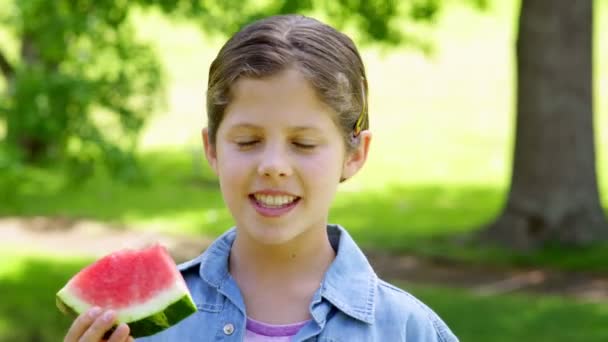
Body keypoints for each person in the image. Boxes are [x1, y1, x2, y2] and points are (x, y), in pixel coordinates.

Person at [64, 14, 459, 342]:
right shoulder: (139, 327)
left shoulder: (410, 331)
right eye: (249, 140)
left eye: (303, 144)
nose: (273, 165)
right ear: (213, 148)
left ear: (354, 155)